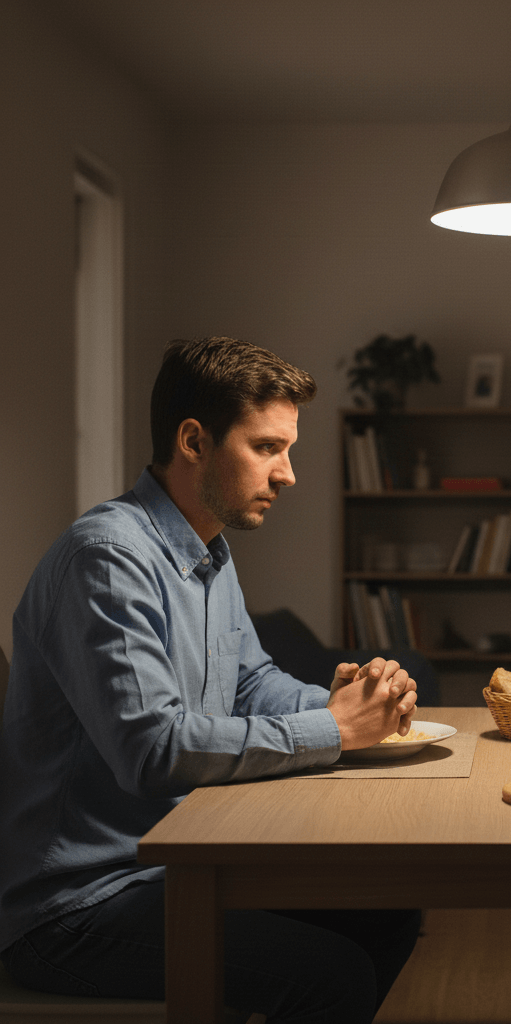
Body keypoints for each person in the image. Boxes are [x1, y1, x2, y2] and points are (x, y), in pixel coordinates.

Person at [0, 337, 422, 1023]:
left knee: (388, 910)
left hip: (177, 867)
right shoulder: (106, 557)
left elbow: (250, 681)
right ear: (193, 440)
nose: (288, 474)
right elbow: (151, 750)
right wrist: (335, 729)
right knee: (332, 974)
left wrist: (348, 705)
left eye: (288, 449)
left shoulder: (206, 548)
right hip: (79, 907)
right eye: (266, 448)